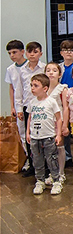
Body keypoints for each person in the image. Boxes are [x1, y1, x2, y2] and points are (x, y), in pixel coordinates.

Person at [26, 74, 63, 195]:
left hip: (48, 137)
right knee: (37, 160)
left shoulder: (51, 102)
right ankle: (40, 181)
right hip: (35, 137)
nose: (32, 88)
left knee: (51, 159)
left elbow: (58, 118)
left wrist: (58, 134)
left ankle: (56, 181)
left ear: (45, 88)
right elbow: (30, 118)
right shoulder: (32, 103)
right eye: (31, 85)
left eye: (36, 86)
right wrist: (28, 133)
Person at [17, 41, 46, 176]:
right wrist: (19, 108)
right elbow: (19, 90)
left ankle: (45, 166)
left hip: (42, 107)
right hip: (28, 107)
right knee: (29, 137)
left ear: (40, 53)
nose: (32, 54)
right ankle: (32, 165)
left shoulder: (44, 68)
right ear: (26, 53)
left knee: (43, 136)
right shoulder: (22, 70)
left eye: (35, 52)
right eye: (30, 52)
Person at [44, 62, 69, 185]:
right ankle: (52, 172)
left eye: (54, 70)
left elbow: (65, 107)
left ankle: (61, 172)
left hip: (58, 121)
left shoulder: (62, 88)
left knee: (59, 146)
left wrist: (65, 125)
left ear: (59, 74)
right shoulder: (43, 89)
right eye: (48, 70)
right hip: (46, 122)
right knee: (49, 148)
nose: (51, 73)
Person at [5, 40, 28, 170]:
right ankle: (28, 158)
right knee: (22, 132)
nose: (12, 55)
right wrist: (12, 106)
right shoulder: (10, 69)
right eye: (10, 53)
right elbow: (11, 88)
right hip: (19, 105)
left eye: (14, 52)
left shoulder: (30, 66)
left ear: (22, 52)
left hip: (31, 103)